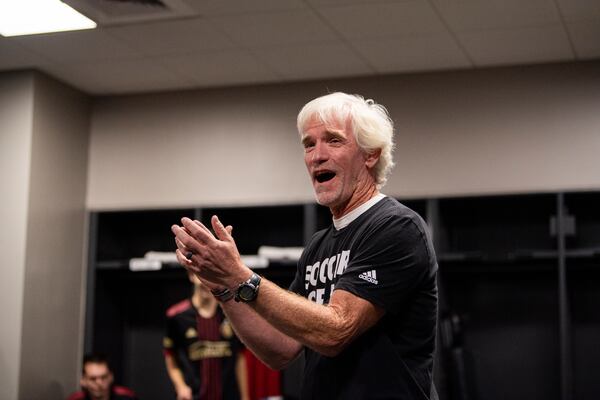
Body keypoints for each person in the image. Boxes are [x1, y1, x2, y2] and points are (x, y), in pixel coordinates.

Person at [171, 92, 438, 399]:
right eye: (309, 144)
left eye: (333, 141)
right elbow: (280, 350)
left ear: (371, 154)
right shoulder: (318, 246)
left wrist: (241, 276)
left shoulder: (396, 227)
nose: (316, 156)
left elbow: (337, 330)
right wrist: (224, 287)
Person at [163, 271, 250, 400]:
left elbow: (239, 358)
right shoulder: (177, 316)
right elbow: (170, 356)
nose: (207, 283)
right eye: (202, 276)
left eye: (213, 277)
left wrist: (245, 397)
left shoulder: (232, 315)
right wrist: (180, 386)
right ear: (191, 276)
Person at [67, 353, 138, 400]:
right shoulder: (75, 399)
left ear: (111, 377)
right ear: (83, 380)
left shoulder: (127, 397)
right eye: (93, 379)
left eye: (104, 377)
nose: (99, 383)